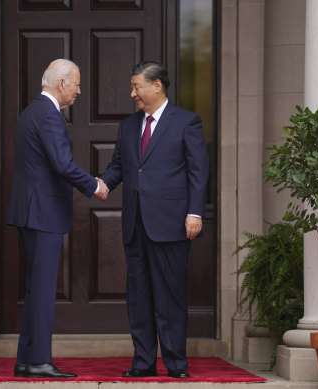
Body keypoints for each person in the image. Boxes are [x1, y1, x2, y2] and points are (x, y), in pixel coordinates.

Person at [99, 61, 209, 379]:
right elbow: (119, 164)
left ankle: (176, 364)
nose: (132, 93)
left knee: (170, 296)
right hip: (136, 224)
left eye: (137, 87)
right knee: (139, 296)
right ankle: (143, 361)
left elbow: (198, 173)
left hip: (173, 223)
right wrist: (104, 183)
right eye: (132, 87)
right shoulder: (128, 126)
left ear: (157, 85)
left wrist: (195, 212)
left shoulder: (187, 122)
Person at [6, 58, 108, 379]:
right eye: (76, 83)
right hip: (43, 214)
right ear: (61, 83)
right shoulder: (49, 115)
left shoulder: (30, 111)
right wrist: (94, 185)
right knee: (44, 289)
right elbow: (62, 165)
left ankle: (26, 360)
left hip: (31, 212)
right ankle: (39, 361)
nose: (79, 90)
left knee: (37, 288)